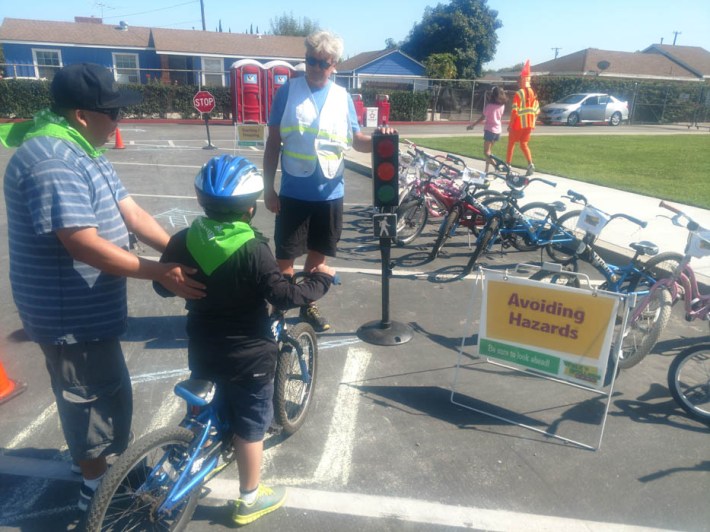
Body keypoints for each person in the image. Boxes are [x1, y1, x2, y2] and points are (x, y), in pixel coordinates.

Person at [0, 62, 206, 511]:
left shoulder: (82, 149)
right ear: (80, 114)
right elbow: (82, 245)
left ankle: (92, 461)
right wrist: (159, 272)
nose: (119, 120)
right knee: (89, 396)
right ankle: (96, 486)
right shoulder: (53, 160)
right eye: (111, 112)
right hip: (69, 313)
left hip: (88, 308)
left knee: (101, 389)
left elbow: (129, 211)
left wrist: (182, 250)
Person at [155, 155, 336, 525]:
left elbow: (162, 285)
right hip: (249, 357)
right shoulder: (254, 249)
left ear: (202, 201)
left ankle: (189, 446)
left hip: (203, 347)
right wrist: (321, 281)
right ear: (250, 210)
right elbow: (284, 296)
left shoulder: (184, 239)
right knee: (251, 427)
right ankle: (249, 499)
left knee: (207, 402)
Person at [263, 29, 395, 332]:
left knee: (316, 259)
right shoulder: (288, 92)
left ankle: (307, 305)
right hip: (293, 192)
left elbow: (357, 141)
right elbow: (273, 144)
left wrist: (380, 138)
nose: (316, 69)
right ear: (305, 59)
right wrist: (268, 188)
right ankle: (279, 310)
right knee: (285, 258)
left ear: (334, 64)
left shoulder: (342, 97)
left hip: (330, 194)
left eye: (324, 63)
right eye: (311, 61)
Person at [506, 60, 540, 176]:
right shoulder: (533, 93)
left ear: (522, 80)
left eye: (520, 79)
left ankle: (508, 165)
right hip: (529, 125)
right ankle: (531, 164)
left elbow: (515, 111)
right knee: (524, 144)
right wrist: (532, 121)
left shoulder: (519, 93)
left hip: (518, 124)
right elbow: (537, 110)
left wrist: (510, 125)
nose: (519, 81)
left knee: (511, 143)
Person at [467, 86, 508, 174]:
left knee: (486, 152)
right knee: (489, 152)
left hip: (489, 130)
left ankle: (497, 166)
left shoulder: (489, 106)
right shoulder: (502, 106)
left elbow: (483, 117)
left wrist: (472, 125)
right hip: (498, 130)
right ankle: (486, 170)